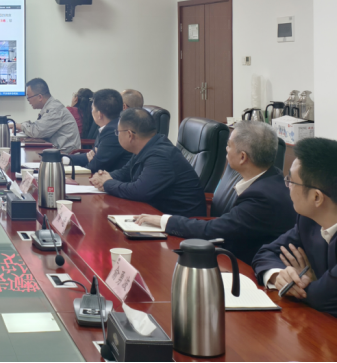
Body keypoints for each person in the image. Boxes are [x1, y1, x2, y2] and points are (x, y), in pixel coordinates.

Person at [134, 121, 297, 265]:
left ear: (242, 157)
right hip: (229, 250)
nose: (226, 149)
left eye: (229, 145)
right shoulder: (272, 176)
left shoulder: (263, 198)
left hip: (245, 267)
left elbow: (213, 230)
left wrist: (164, 221)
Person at [252, 137, 337, 316]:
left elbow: (323, 298)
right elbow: (266, 253)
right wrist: (280, 275)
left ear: (316, 197)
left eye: (292, 181)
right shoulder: (308, 221)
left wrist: (304, 283)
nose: (287, 186)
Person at [90, 108, 205, 217]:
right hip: (156, 213)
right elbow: (125, 172)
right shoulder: (147, 147)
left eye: (118, 132)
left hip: (178, 222)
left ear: (130, 135)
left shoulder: (160, 156)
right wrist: (103, 177)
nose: (117, 135)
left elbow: (138, 191)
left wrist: (107, 183)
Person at [69, 89, 132, 173]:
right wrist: (63, 158)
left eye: (92, 109)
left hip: (113, 178)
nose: (91, 112)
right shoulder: (111, 126)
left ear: (99, 114)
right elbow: (90, 156)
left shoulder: (113, 132)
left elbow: (94, 167)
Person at [14, 78, 81, 153]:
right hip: (56, 152)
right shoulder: (50, 107)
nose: (28, 101)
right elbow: (38, 126)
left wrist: (20, 126)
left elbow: (37, 131)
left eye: (28, 97)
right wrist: (23, 127)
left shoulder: (54, 109)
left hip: (66, 155)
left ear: (40, 97)